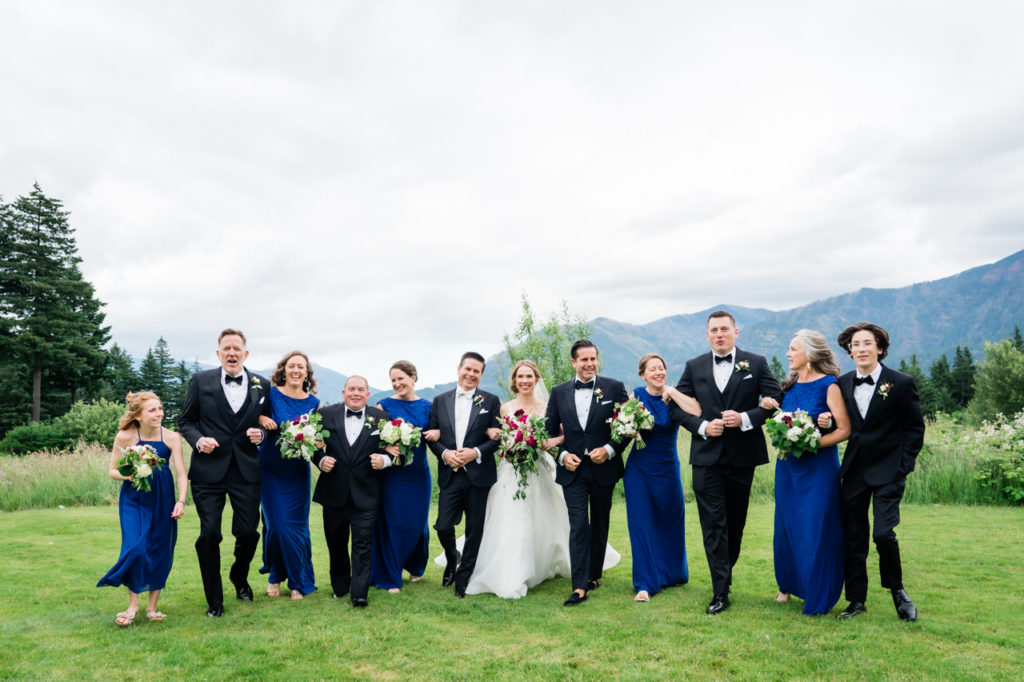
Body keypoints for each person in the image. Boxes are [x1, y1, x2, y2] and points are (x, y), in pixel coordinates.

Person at [439, 360, 621, 599]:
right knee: (509, 520)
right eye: (520, 377)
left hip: (539, 469)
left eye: (529, 376)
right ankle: (508, 569)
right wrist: (503, 441)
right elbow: (490, 435)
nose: (524, 381)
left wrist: (550, 442)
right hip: (510, 471)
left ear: (536, 380)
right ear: (514, 381)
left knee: (548, 518)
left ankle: (550, 564)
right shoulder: (504, 408)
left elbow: (565, 434)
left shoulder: (547, 406)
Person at [668, 311, 783, 615]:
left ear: (736, 332)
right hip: (706, 458)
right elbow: (677, 408)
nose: (719, 334)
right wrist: (703, 427)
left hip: (742, 456)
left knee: (735, 524)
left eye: (724, 329)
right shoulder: (694, 366)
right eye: (713, 330)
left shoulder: (755, 363)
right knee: (713, 524)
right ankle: (720, 591)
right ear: (707, 335)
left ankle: (724, 573)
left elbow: (774, 399)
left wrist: (745, 418)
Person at [828, 322, 925, 621]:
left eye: (867, 343)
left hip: (889, 470)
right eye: (855, 345)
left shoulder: (901, 382)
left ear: (880, 349)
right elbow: (842, 423)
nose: (861, 349)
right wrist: (824, 422)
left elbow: (915, 428)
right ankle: (856, 600)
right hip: (855, 469)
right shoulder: (842, 383)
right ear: (849, 351)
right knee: (853, 536)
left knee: (883, 534)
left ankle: (897, 590)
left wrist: (903, 466)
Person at [758, 330, 850, 615]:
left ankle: (818, 591)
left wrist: (814, 443)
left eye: (792, 349)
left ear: (809, 355)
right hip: (788, 467)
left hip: (819, 468)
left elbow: (844, 429)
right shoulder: (789, 384)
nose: (787, 353)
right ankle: (786, 585)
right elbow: (785, 421)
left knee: (816, 528)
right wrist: (770, 409)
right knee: (787, 526)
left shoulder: (829, 386)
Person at [178, 329, 268, 618]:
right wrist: (198, 440)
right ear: (218, 353)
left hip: (246, 470)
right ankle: (214, 601)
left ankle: (239, 577)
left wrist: (261, 434)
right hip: (208, 470)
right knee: (209, 534)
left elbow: (267, 424)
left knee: (248, 532)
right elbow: (185, 421)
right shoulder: (200, 381)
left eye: (237, 348)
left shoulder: (261, 385)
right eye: (226, 348)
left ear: (245, 353)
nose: (232, 353)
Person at [546, 340, 629, 606]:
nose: (590, 364)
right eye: (584, 360)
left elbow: (628, 426)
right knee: (579, 524)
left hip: (604, 467)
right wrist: (561, 455)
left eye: (593, 358)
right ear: (574, 363)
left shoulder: (614, 388)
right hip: (573, 471)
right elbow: (548, 432)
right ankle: (579, 586)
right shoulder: (558, 392)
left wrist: (609, 449)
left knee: (600, 523)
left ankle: (594, 573)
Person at [98, 391, 187, 626]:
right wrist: (134, 473)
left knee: (160, 548)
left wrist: (181, 501)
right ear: (138, 415)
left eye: (160, 408)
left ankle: (152, 608)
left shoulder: (172, 437)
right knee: (135, 546)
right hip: (134, 498)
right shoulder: (125, 437)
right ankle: (132, 606)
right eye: (152, 410)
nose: (159, 413)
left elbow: (180, 473)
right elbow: (113, 471)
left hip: (164, 498)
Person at [312, 376, 397, 608]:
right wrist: (321, 460)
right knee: (336, 544)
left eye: (361, 390)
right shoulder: (326, 415)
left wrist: (384, 460)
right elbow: (311, 446)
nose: (356, 393)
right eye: (352, 389)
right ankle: (340, 587)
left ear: (368, 394)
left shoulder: (382, 419)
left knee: (362, 544)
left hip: (366, 492)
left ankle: (359, 594)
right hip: (334, 492)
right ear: (343, 392)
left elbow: (393, 450)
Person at [625, 353, 701, 602]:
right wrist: (628, 427)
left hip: (668, 469)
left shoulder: (675, 396)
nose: (658, 372)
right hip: (639, 470)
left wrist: (673, 392)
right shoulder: (636, 395)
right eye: (652, 369)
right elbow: (624, 427)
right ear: (643, 375)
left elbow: (697, 411)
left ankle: (672, 573)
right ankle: (645, 583)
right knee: (641, 523)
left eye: (661, 368)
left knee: (671, 521)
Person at [427, 351, 501, 599]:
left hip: (479, 474)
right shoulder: (440, 400)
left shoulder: (491, 401)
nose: (471, 374)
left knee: (474, 529)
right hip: (450, 473)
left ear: (481, 375)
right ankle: (452, 557)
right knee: (443, 525)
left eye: (476, 371)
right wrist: (445, 453)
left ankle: (464, 579)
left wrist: (476, 452)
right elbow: (431, 435)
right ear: (459, 369)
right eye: (467, 369)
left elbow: (498, 439)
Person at [370, 361, 440, 593]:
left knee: (419, 525)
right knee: (393, 524)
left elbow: (437, 437)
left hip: (419, 474)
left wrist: (438, 432)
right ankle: (390, 576)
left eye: (401, 378)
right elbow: (373, 437)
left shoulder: (429, 407)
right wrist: (385, 451)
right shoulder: (385, 404)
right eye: (393, 380)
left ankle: (415, 567)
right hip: (393, 475)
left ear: (413, 377)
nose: (397, 384)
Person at [255, 350, 320, 600]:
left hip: (297, 473)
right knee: (276, 526)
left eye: (300, 367)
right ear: (283, 370)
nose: (295, 370)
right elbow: (251, 417)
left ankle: (297, 581)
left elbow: (316, 437)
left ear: (306, 373)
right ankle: (275, 575)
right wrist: (261, 417)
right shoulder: (270, 394)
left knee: (297, 527)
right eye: (291, 366)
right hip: (270, 470)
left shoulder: (314, 403)